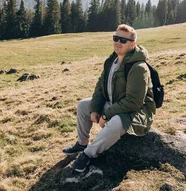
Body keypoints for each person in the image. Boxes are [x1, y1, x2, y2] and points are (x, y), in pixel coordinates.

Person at [63, 24, 156, 172]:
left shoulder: (138, 67)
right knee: (83, 106)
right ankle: (82, 144)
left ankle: (88, 154)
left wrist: (106, 114)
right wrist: (94, 108)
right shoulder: (112, 60)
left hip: (137, 111)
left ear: (133, 44)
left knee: (116, 123)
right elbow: (100, 86)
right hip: (116, 104)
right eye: (116, 38)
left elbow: (134, 102)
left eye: (123, 40)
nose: (118, 42)